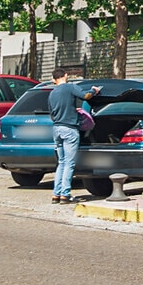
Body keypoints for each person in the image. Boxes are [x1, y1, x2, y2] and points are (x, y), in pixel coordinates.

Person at [46, 66, 94, 204]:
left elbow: (52, 114)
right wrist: (94, 90)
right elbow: (86, 96)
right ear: (66, 76)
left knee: (61, 162)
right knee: (69, 163)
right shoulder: (70, 87)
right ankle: (65, 195)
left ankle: (56, 194)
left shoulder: (52, 94)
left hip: (57, 129)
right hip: (69, 129)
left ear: (53, 79)